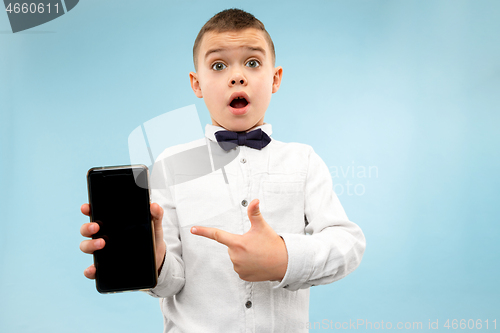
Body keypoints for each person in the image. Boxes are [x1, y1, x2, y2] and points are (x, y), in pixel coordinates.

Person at [79, 8, 366, 333]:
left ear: (275, 79)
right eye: (218, 65)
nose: (237, 76)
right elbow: (171, 281)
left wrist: (284, 257)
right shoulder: (171, 165)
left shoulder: (304, 160)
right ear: (196, 83)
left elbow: (348, 243)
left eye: (253, 63)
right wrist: (154, 257)